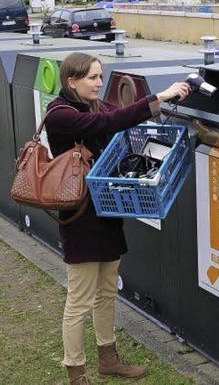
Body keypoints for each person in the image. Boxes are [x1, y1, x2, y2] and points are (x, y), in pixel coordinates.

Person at [45, 52, 190, 385]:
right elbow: (108, 124)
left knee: (107, 290)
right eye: (93, 78)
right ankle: (75, 371)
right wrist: (161, 95)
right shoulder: (61, 115)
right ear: (72, 81)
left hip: (107, 210)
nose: (99, 83)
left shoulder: (94, 105)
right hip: (80, 216)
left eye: (100, 76)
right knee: (80, 299)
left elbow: (123, 114)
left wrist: (170, 100)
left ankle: (108, 359)